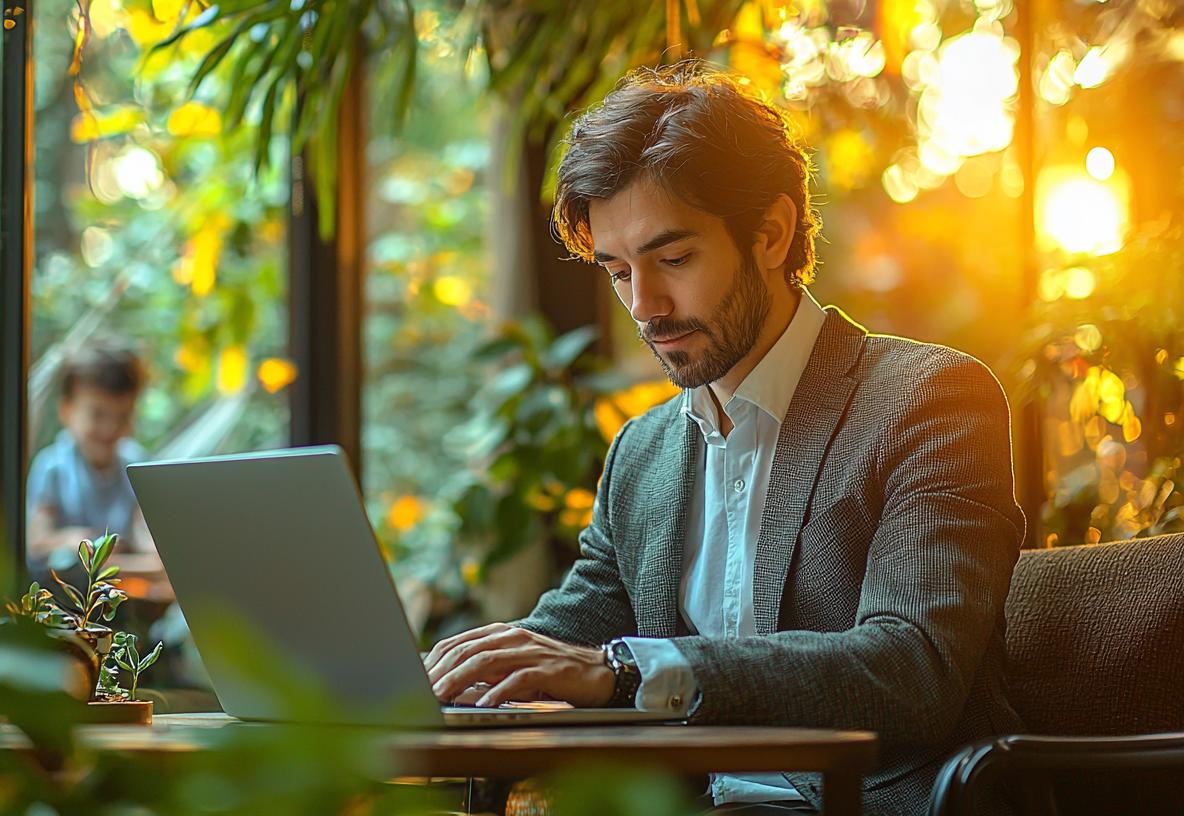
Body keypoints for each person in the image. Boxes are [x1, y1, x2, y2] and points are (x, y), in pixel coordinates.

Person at [423, 64, 1025, 815]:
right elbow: (560, 644)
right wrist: (436, 674)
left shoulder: (927, 400)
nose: (645, 306)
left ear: (770, 233)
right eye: (618, 272)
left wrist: (626, 673)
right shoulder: (642, 455)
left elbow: (912, 670)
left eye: (673, 259)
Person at [27, 336, 154, 562]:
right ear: (66, 410)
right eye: (97, 414)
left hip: (122, 587)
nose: (110, 428)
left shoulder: (136, 464)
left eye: (123, 416)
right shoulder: (53, 467)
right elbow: (36, 542)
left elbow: (142, 532)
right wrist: (70, 541)